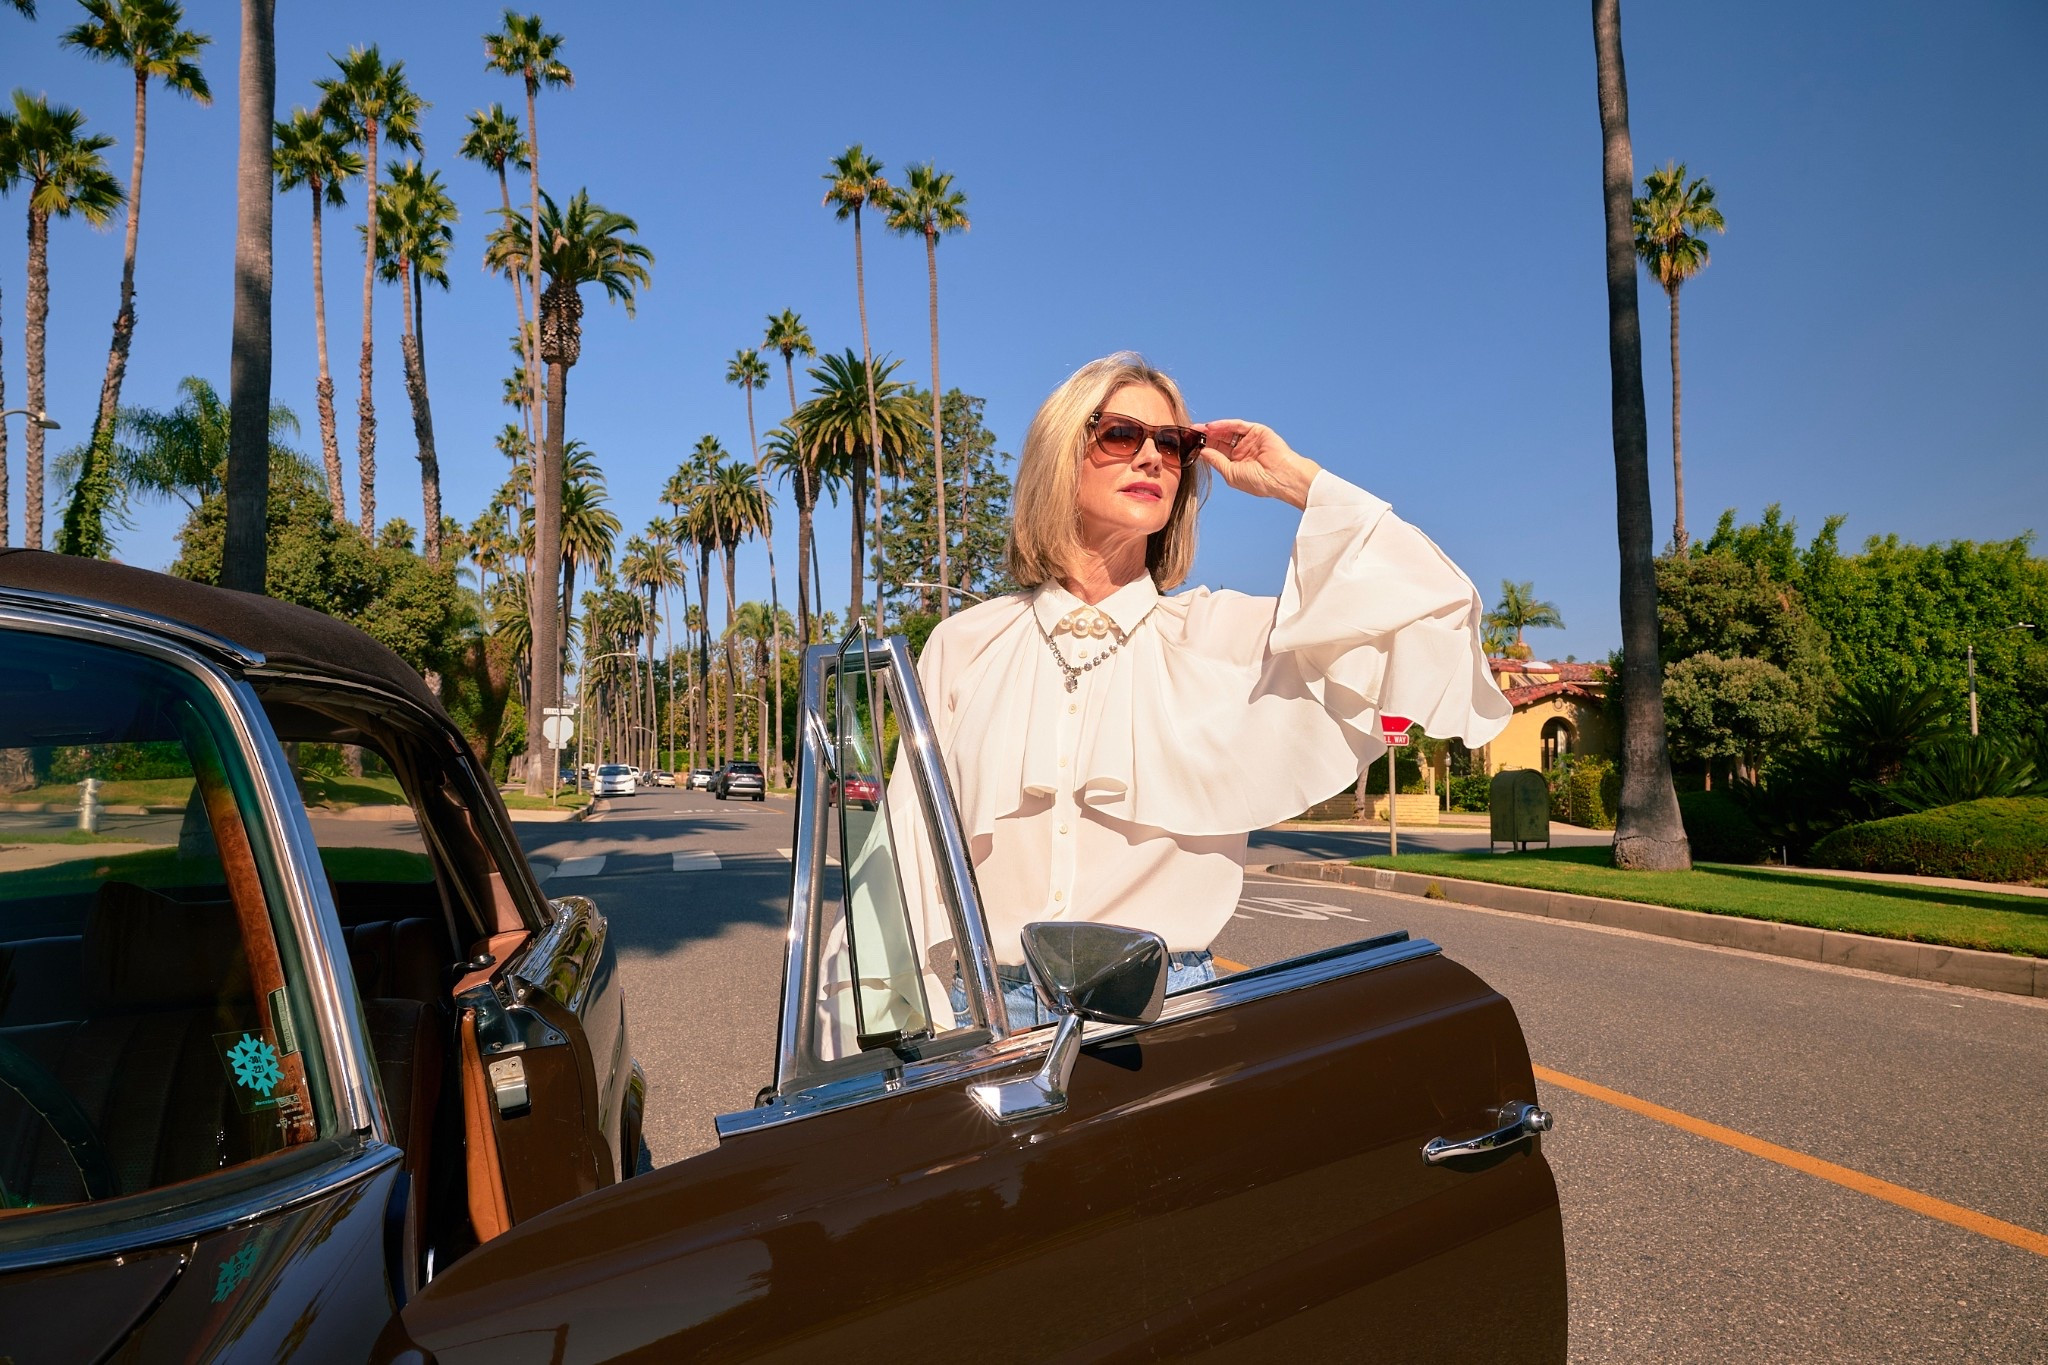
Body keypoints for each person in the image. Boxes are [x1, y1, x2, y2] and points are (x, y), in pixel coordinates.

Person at [906, 352, 1513, 1030]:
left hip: (1171, 1020)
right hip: (984, 1015)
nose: (1152, 459)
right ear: (1061, 451)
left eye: (1173, 444)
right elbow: (903, 868)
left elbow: (1436, 609)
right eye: (1120, 434)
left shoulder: (1227, 638)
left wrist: (1298, 482)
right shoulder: (964, 647)